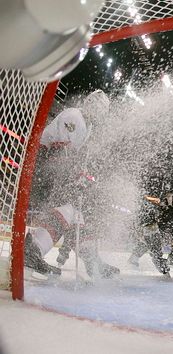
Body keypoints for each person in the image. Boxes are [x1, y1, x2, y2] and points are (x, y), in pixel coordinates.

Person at [25, 90, 120, 279]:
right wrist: (77, 177)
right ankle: (32, 251)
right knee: (69, 210)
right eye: (96, 105)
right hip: (42, 165)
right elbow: (61, 154)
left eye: (102, 109)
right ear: (88, 103)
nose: (98, 110)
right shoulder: (74, 116)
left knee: (77, 212)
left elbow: (71, 157)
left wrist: (80, 175)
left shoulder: (88, 124)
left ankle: (92, 261)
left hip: (51, 167)